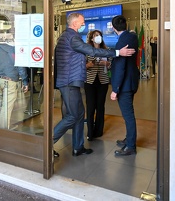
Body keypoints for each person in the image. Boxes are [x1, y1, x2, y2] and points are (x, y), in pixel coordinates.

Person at [54, 12, 135, 157]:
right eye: (82, 22)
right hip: (68, 82)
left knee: (79, 114)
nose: (84, 24)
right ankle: (46, 143)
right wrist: (118, 52)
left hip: (71, 81)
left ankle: (78, 147)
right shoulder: (72, 37)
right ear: (74, 24)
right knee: (72, 116)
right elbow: (90, 50)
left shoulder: (67, 36)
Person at [109, 15, 140, 156]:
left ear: (114, 28)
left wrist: (115, 89)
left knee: (128, 116)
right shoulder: (132, 37)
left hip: (125, 85)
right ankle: (129, 139)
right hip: (132, 82)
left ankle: (131, 146)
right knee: (129, 115)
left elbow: (120, 67)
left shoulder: (122, 42)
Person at [84, 30, 113, 141]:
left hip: (103, 81)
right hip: (90, 81)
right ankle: (90, 132)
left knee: (100, 106)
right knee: (90, 107)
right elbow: (82, 65)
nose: (98, 37)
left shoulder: (106, 50)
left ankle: (99, 131)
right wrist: (88, 65)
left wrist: (107, 64)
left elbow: (111, 66)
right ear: (91, 38)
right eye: (96, 35)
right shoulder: (86, 51)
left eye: (99, 35)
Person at [0, 42, 29, 129]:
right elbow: (20, 66)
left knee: (1, 105)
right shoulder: (15, 49)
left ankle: (2, 127)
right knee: (7, 108)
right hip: (10, 81)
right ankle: (3, 131)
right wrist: (25, 81)